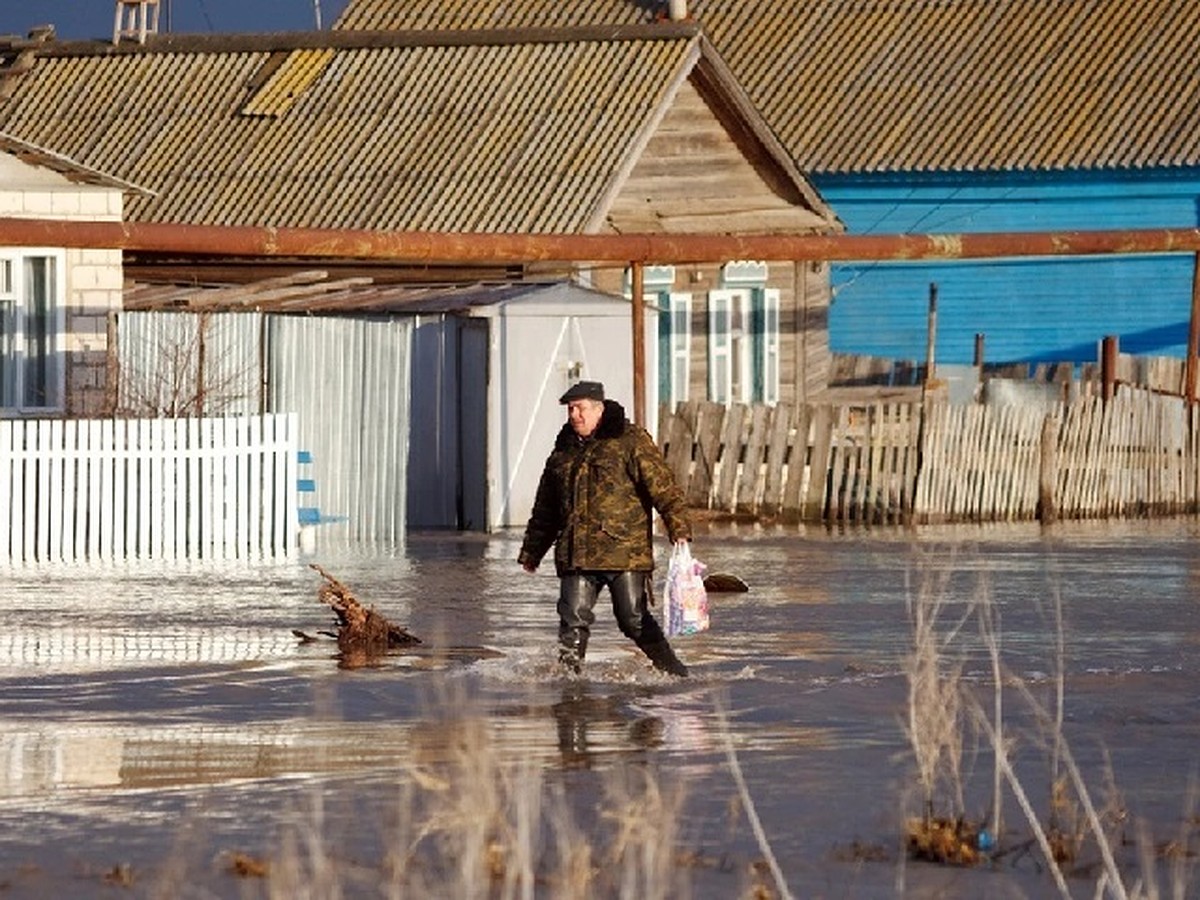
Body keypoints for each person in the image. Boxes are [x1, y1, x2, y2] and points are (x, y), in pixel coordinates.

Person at [518, 380, 692, 677]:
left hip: (624, 552)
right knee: (572, 620)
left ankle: (674, 672)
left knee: (632, 619)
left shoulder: (630, 440)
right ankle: (569, 686)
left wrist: (679, 528)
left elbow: (663, 486)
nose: (574, 415)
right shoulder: (564, 450)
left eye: (580, 408)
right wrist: (532, 552)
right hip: (576, 554)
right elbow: (546, 508)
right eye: (571, 409)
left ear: (598, 409)